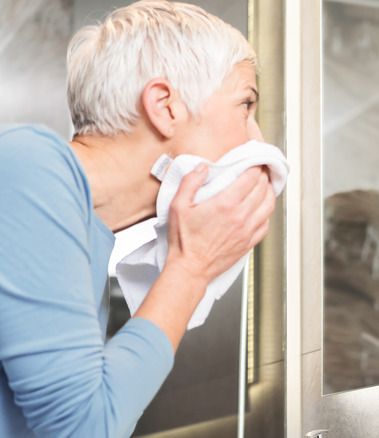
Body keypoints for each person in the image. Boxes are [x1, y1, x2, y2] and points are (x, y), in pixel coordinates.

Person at [0, 1, 276, 436]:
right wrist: (190, 268)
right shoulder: (29, 168)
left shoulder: (85, 245)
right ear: (165, 107)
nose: (257, 140)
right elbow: (83, 429)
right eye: (245, 105)